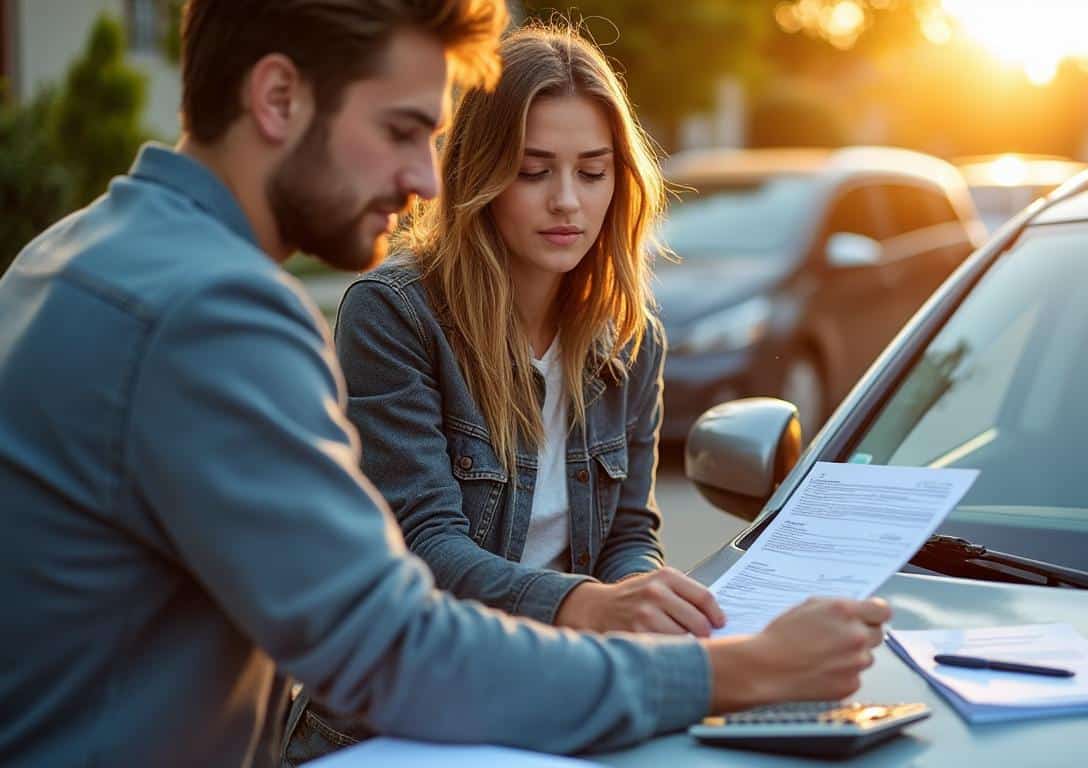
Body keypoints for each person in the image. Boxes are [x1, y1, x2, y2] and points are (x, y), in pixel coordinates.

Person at [0, 2, 891, 766]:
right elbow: (395, 644)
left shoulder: (73, 252)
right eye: (400, 130)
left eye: (431, 138)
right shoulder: (215, 311)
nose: (426, 178)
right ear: (277, 98)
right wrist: (743, 671)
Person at [283, 25, 731, 761]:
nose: (567, 202)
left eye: (593, 171)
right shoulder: (395, 314)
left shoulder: (630, 337)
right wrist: (591, 605)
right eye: (533, 171)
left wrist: (643, 600)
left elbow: (627, 535)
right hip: (394, 722)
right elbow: (424, 549)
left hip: (559, 704)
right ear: (480, 173)